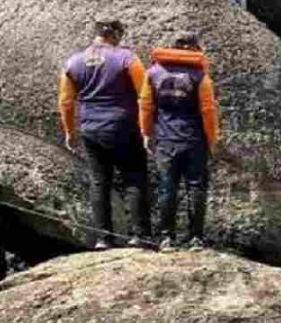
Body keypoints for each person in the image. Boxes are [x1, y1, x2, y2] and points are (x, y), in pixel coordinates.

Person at [58, 20, 151, 249]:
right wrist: (147, 129)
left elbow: (66, 101)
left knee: (99, 182)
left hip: (90, 128)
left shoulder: (73, 62)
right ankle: (140, 236)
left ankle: (104, 238)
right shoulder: (127, 58)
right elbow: (145, 95)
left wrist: (70, 132)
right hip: (124, 126)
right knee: (134, 179)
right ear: (115, 35)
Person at [140, 31, 220, 251]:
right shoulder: (200, 77)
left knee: (168, 188)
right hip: (194, 140)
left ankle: (167, 238)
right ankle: (196, 238)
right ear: (195, 48)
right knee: (196, 187)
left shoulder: (153, 73)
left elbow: (146, 106)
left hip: (166, 140)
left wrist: (146, 133)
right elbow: (208, 111)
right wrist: (212, 139)